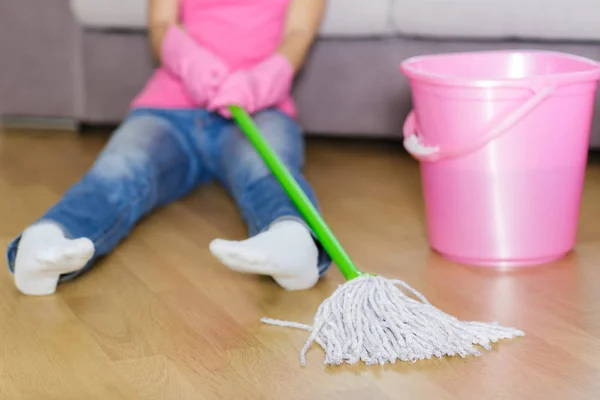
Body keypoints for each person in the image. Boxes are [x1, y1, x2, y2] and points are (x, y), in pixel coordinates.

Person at [7, 0, 331, 296]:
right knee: (122, 166)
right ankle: (49, 240)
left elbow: (299, 33)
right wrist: (193, 63)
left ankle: (292, 239)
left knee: (267, 167)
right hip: (170, 106)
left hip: (257, 109)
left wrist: (261, 81)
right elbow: (162, 25)